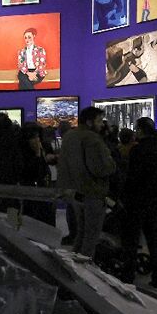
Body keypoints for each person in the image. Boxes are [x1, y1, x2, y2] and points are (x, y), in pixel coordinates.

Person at [120, 117, 157, 288]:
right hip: (156, 200)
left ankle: (128, 275)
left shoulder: (138, 150)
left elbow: (133, 177)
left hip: (137, 200)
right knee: (154, 240)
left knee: (131, 240)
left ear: (140, 130)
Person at [59, 107, 116, 258]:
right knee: (91, 237)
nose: (101, 125)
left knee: (81, 233)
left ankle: (74, 265)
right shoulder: (92, 139)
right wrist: (112, 162)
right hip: (92, 193)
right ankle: (85, 270)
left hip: (75, 192)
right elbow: (101, 168)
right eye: (98, 121)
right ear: (90, 122)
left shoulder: (70, 135)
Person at [17, 122, 55, 226]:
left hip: (45, 185)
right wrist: (38, 154)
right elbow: (31, 171)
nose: (36, 139)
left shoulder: (43, 146)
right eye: (33, 137)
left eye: (38, 136)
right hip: (31, 189)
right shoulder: (23, 152)